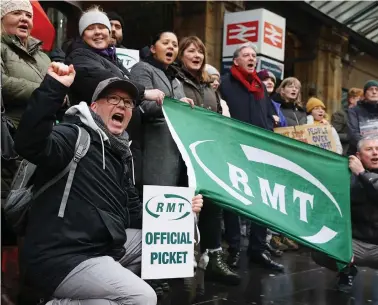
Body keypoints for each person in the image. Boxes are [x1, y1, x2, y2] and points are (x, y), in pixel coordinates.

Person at [14, 62, 204, 305]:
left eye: (127, 103)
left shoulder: (122, 156)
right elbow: (29, 143)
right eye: (113, 99)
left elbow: (136, 216)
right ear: (94, 107)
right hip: (61, 257)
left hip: (99, 249)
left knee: (167, 244)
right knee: (143, 298)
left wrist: (181, 210)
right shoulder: (74, 135)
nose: (121, 106)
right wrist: (53, 88)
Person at [174, 36, 240, 284]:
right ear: (182, 55)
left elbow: (222, 121)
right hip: (182, 155)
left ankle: (213, 258)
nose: (197, 55)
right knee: (185, 204)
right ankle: (180, 256)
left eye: (200, 51)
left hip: (209, 156)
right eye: (191, 51)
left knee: (213, 205)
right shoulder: (174, 81)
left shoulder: (209, 87)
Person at [220, 42, 283, 272]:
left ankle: (258, 249)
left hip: (261, 152)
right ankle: (234, 248)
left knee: (262, 200)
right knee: (234, 200)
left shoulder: (260, 86)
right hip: (234, 150)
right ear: (236, 61)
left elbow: (269, 115)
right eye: (246, 55)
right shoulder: (225, 84)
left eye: (254, 55)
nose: (251, 58)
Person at [312, 136, 378, 292]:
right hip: (354, 244)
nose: (375, 153)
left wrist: (362, 173)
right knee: (319, 248)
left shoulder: (360, 173)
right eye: (369, 149)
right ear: (358, 155)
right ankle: (346, 271)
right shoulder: (345, 176)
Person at [130, 31, 193, 189]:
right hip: (153, 153)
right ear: (152, 48)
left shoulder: (176, 79)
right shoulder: (142, 68)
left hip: (177, 155)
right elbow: (142, 106)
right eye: (165, 43)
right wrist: (176, 106)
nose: (171, 47)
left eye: (175, 44)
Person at [65, 6, 164, 106]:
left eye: (102, 27)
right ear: (82, 36)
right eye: (90, 29)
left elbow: (130, 80)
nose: (97, 32)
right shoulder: (79, 56)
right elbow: (105, 80)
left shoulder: (113, 58)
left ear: (109, 33)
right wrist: (144, 92)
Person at [1, 0, 50, 127]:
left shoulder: (43, 57)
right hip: (11, 133)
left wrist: (63, 94)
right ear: (1, 19)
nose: (24, 19)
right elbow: (2, 83)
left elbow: (56, 87)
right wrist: (45, 92)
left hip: (44, 133)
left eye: (29, 15)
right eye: (16, 13)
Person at [347, 80, 378, 156]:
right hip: (359, 154)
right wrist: (369, 149)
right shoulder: (354, 111)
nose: (374, 92)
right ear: (364, 94)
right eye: (371, 89)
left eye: (377, 90)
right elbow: (353, 134)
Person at [331, 88, 363, 155]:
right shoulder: (340, 114)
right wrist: (352, 136)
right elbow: (333, 134)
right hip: (345, 153)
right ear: (351, 100)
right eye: (360, 99)